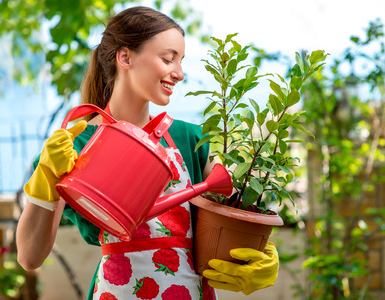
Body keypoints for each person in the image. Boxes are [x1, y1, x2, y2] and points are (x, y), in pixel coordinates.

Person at [16, 6, 279, 300]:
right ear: (125, 57)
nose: (178, 74)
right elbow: (29, 257)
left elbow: (233, 217)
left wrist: (262, 253)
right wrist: (47, 175)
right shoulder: (73, 144)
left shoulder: (189, 138)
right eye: (168, 59)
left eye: (180, 61)